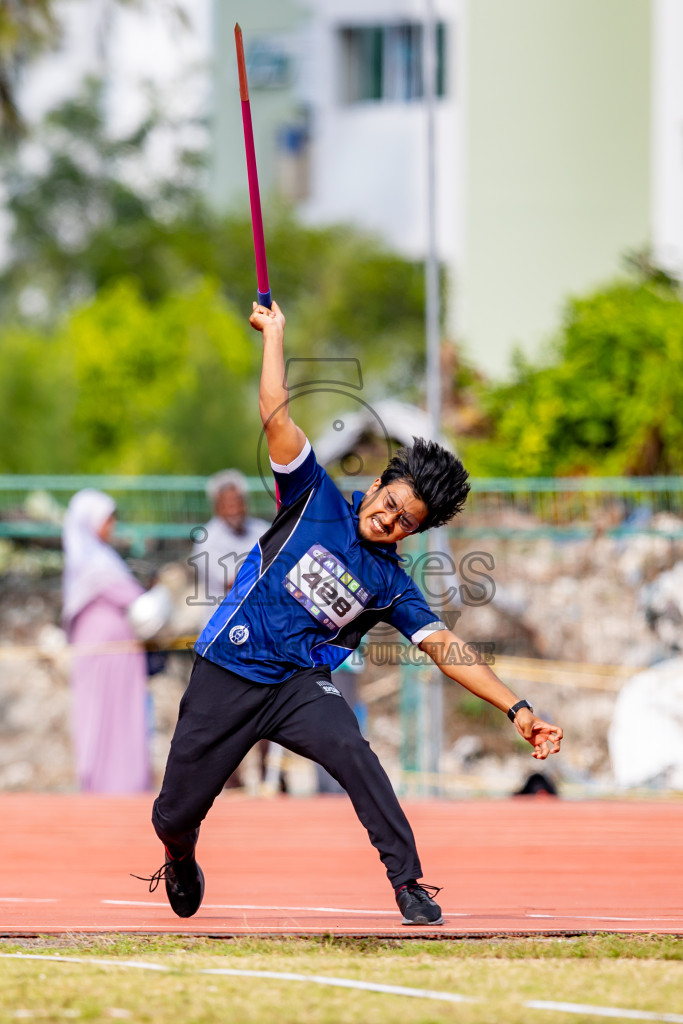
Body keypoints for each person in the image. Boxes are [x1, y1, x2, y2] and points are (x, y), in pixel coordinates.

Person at [142, 300, 563, 926]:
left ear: (412, 533)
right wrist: (275, 335)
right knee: (171, 815)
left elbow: (447, 648)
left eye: (404, 522)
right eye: (389, 503)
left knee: (358, 758)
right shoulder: (312, 495)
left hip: (297, 686)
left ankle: (410, 884)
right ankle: (180, 855)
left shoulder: (392, 583)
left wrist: (519, 710)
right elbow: (274, 412)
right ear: (373, 487)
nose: (388, 519)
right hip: (226, 667)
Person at [62, 489, 150, 793]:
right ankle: (101, 783)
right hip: (101, 656)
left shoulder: (105, 558)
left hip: (122, 656)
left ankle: (127, 782)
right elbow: (135, 599)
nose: (111, 525)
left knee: (123, 715)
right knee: (99, 715)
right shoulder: (92, 565)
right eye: (106, 519)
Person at [190, 469, 270, 628]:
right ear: (216, 507)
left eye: (237, 502)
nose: (234, 509)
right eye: (227, 504)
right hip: (225, 628)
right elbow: (236, 584)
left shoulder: (261, 529)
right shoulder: (207, 540)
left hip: (260, 622)